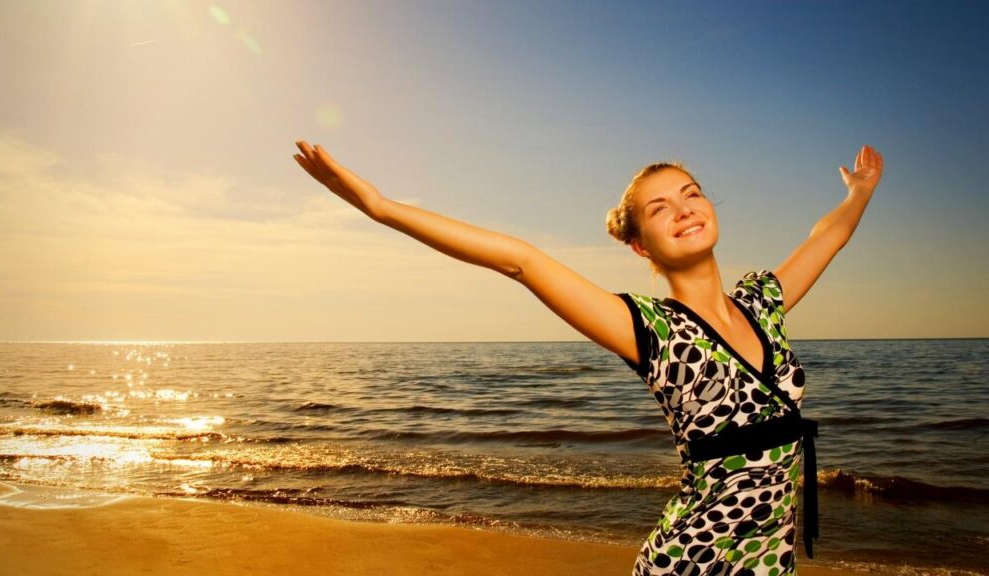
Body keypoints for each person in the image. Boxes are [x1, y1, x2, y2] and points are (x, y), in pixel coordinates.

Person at [292, 140, 883, 575]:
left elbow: (826, 236)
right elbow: (519, 259)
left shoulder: (763, 302)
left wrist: (858, 194)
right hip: (692, 560)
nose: (683, 210)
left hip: (767, 561)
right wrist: (378, 206)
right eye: (658, 209)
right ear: (638, 244)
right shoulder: (650, 329)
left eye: (691, 194)